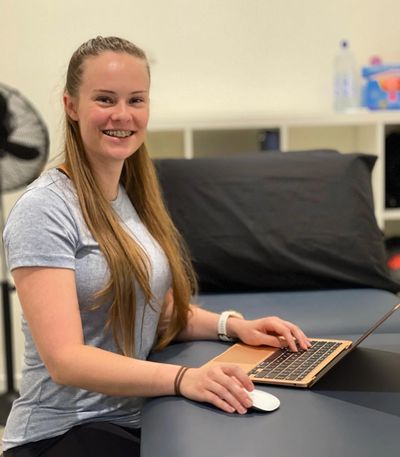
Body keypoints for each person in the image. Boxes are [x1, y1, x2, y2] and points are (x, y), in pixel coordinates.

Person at [2, 36, 310, 457]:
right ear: (71, 106)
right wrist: (185, 378)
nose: (123, 115)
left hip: (134, 418)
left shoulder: (128, 194)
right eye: (105, 99)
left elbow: (153, 310)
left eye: (136, 100)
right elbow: (66, 360)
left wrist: (235, 327)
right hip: (63, 434)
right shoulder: (44, 208)